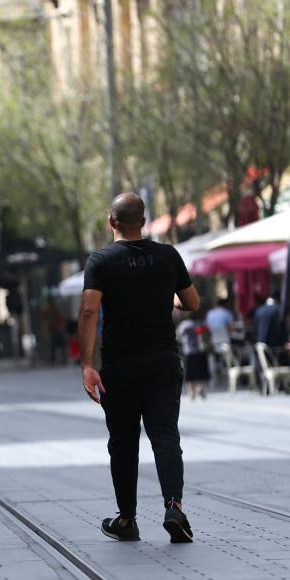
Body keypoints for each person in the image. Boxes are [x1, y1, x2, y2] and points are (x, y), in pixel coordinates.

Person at [79, 192, 199, 544]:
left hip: (120, 366)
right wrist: (165, 295)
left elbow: (89, 312)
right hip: (163, 361)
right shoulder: (167, 255)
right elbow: (191, 302)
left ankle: (127, 519)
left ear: (111, 221)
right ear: (144, 221)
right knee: (165, 435)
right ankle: (174, 505)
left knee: (123, 442)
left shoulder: (100, 261)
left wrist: (87, 364)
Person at [177, 309, 211, 400]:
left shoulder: (184, 325)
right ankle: (201, 387)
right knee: (202, 370)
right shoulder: (202, 323)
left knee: (190, 373)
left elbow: (179, 336)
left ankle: (192, 391)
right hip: (201, 350)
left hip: (189, 351)